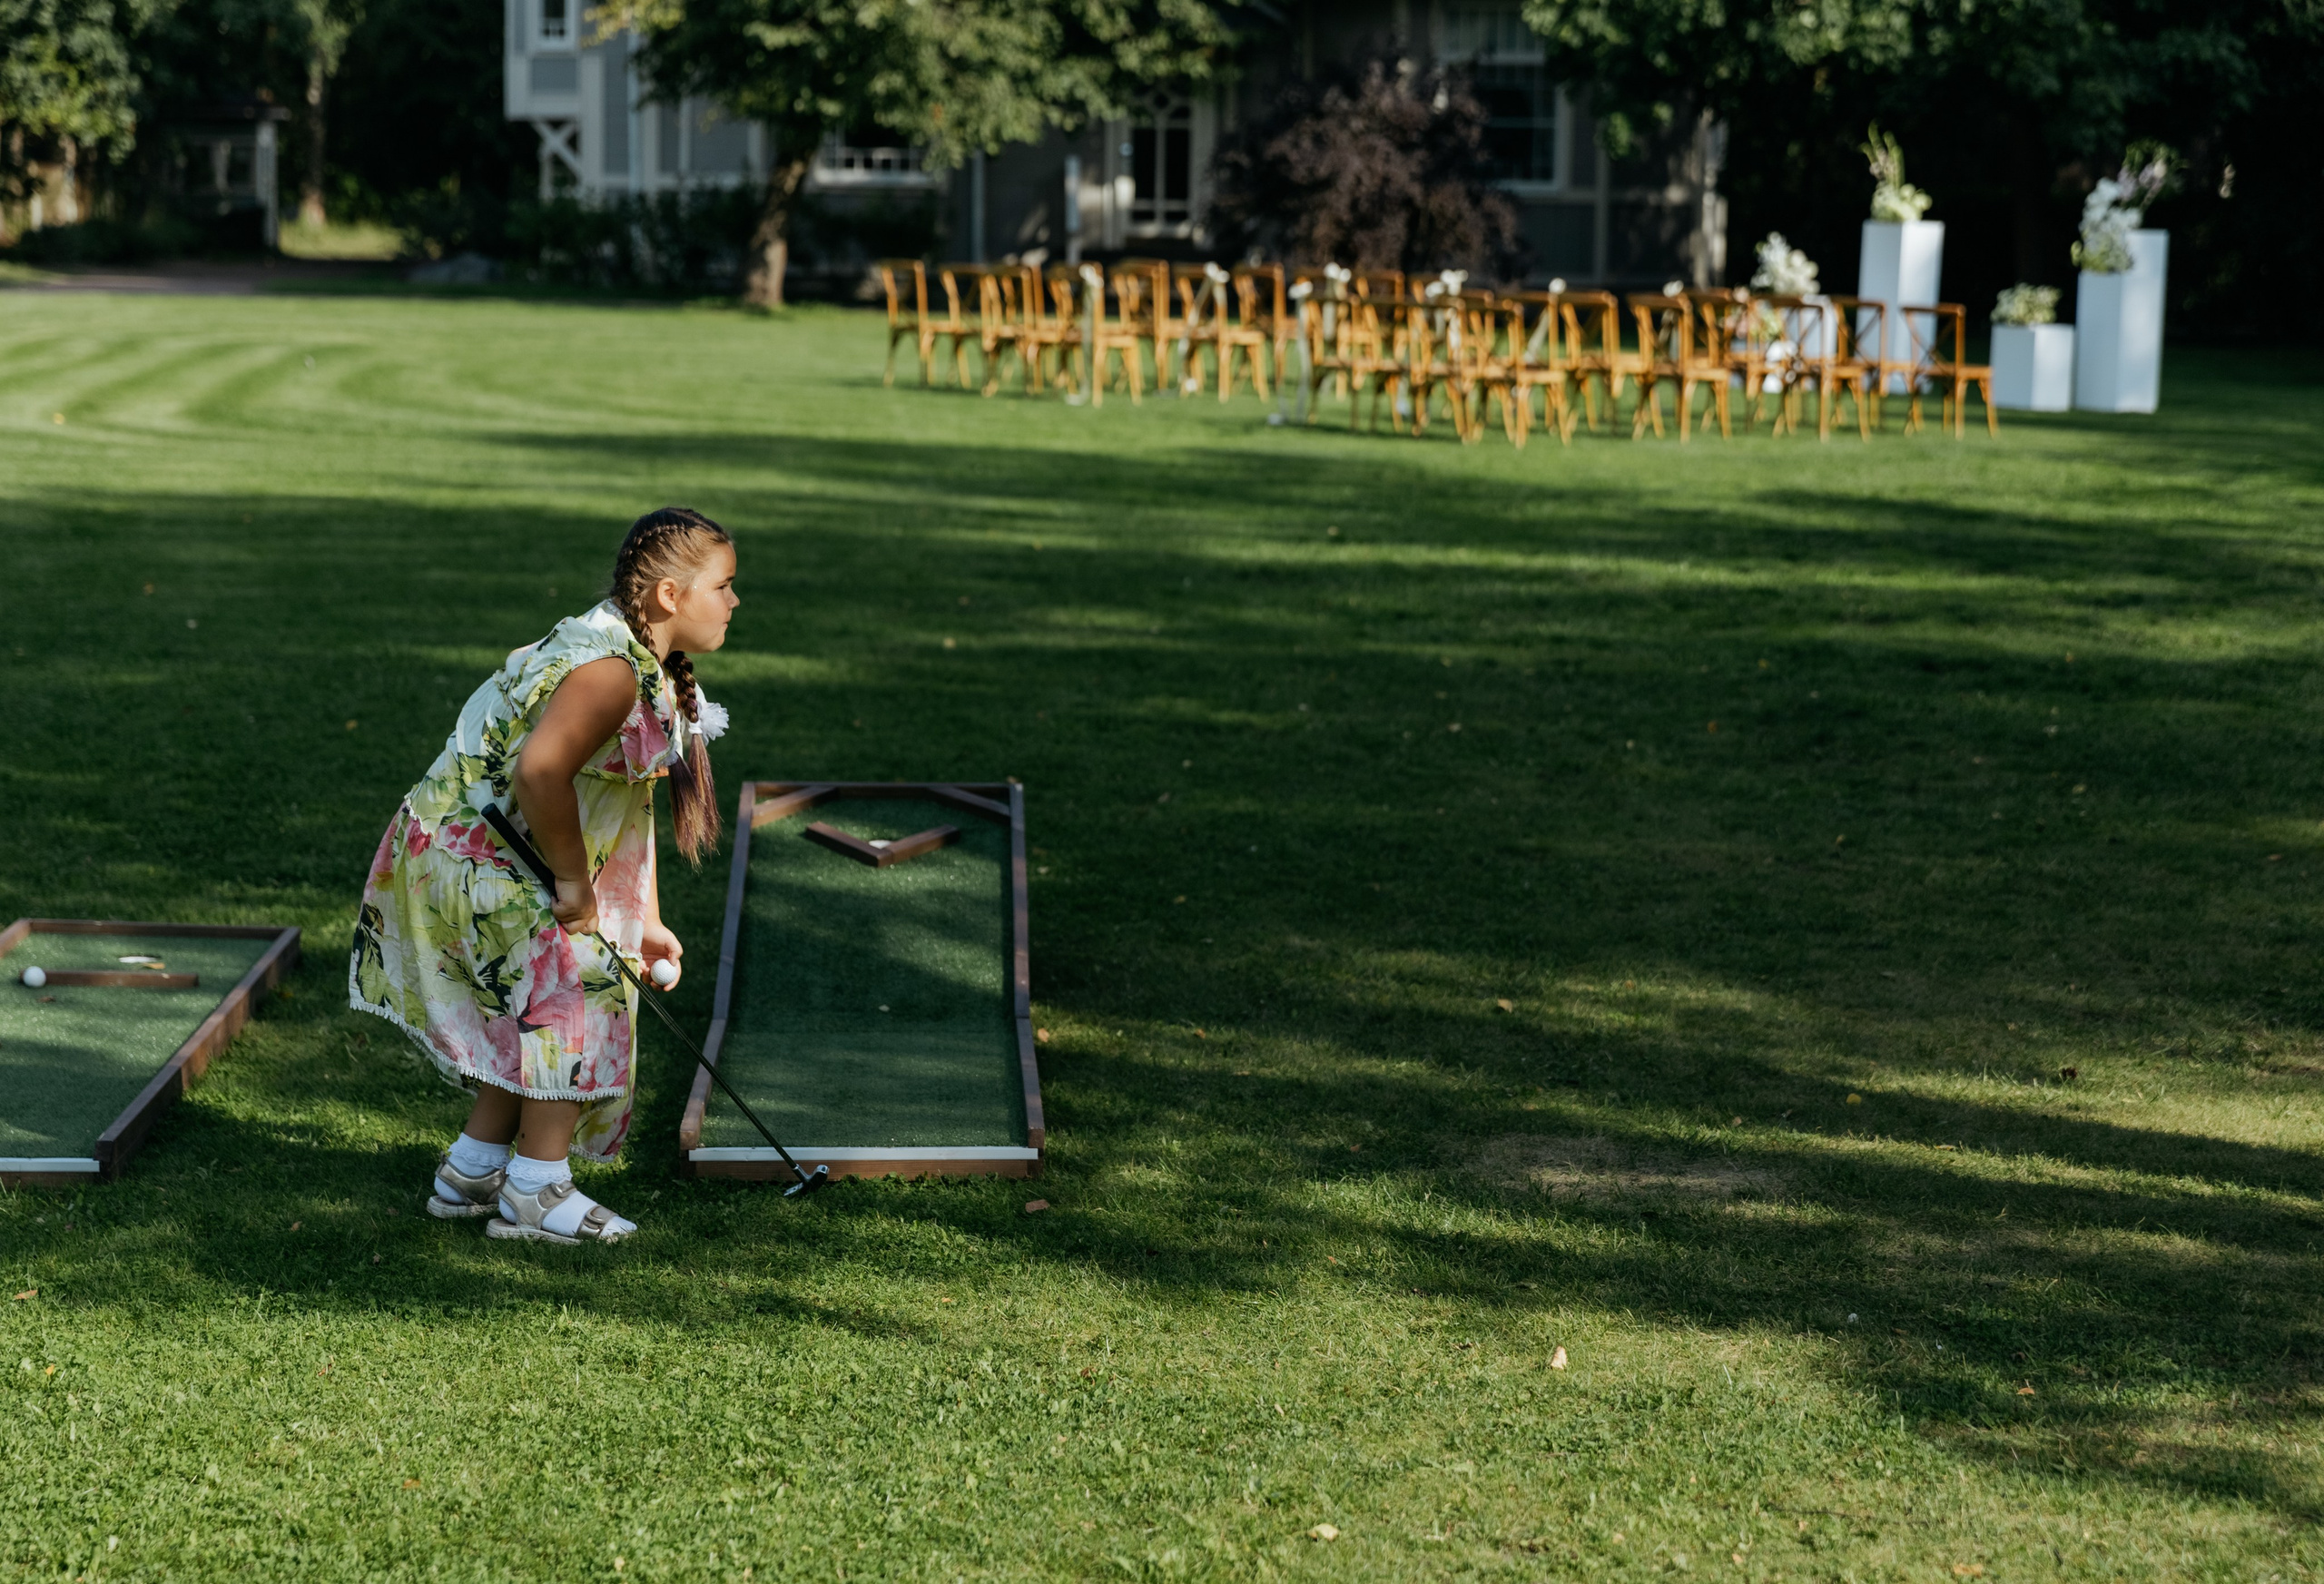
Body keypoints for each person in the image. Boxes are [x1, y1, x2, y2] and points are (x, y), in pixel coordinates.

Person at [349, 507, 737, 1244]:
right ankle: (536, 1191)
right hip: (472, 853)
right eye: (724, 586)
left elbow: (628, 802)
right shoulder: (610, 672)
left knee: (531, 999)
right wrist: (572, 883)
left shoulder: (639, 664)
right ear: (668, 597)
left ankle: (471, 1169)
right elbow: (540, 771)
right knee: (572, 993)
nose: (734, 601)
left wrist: (646, 918)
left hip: (477, 847)